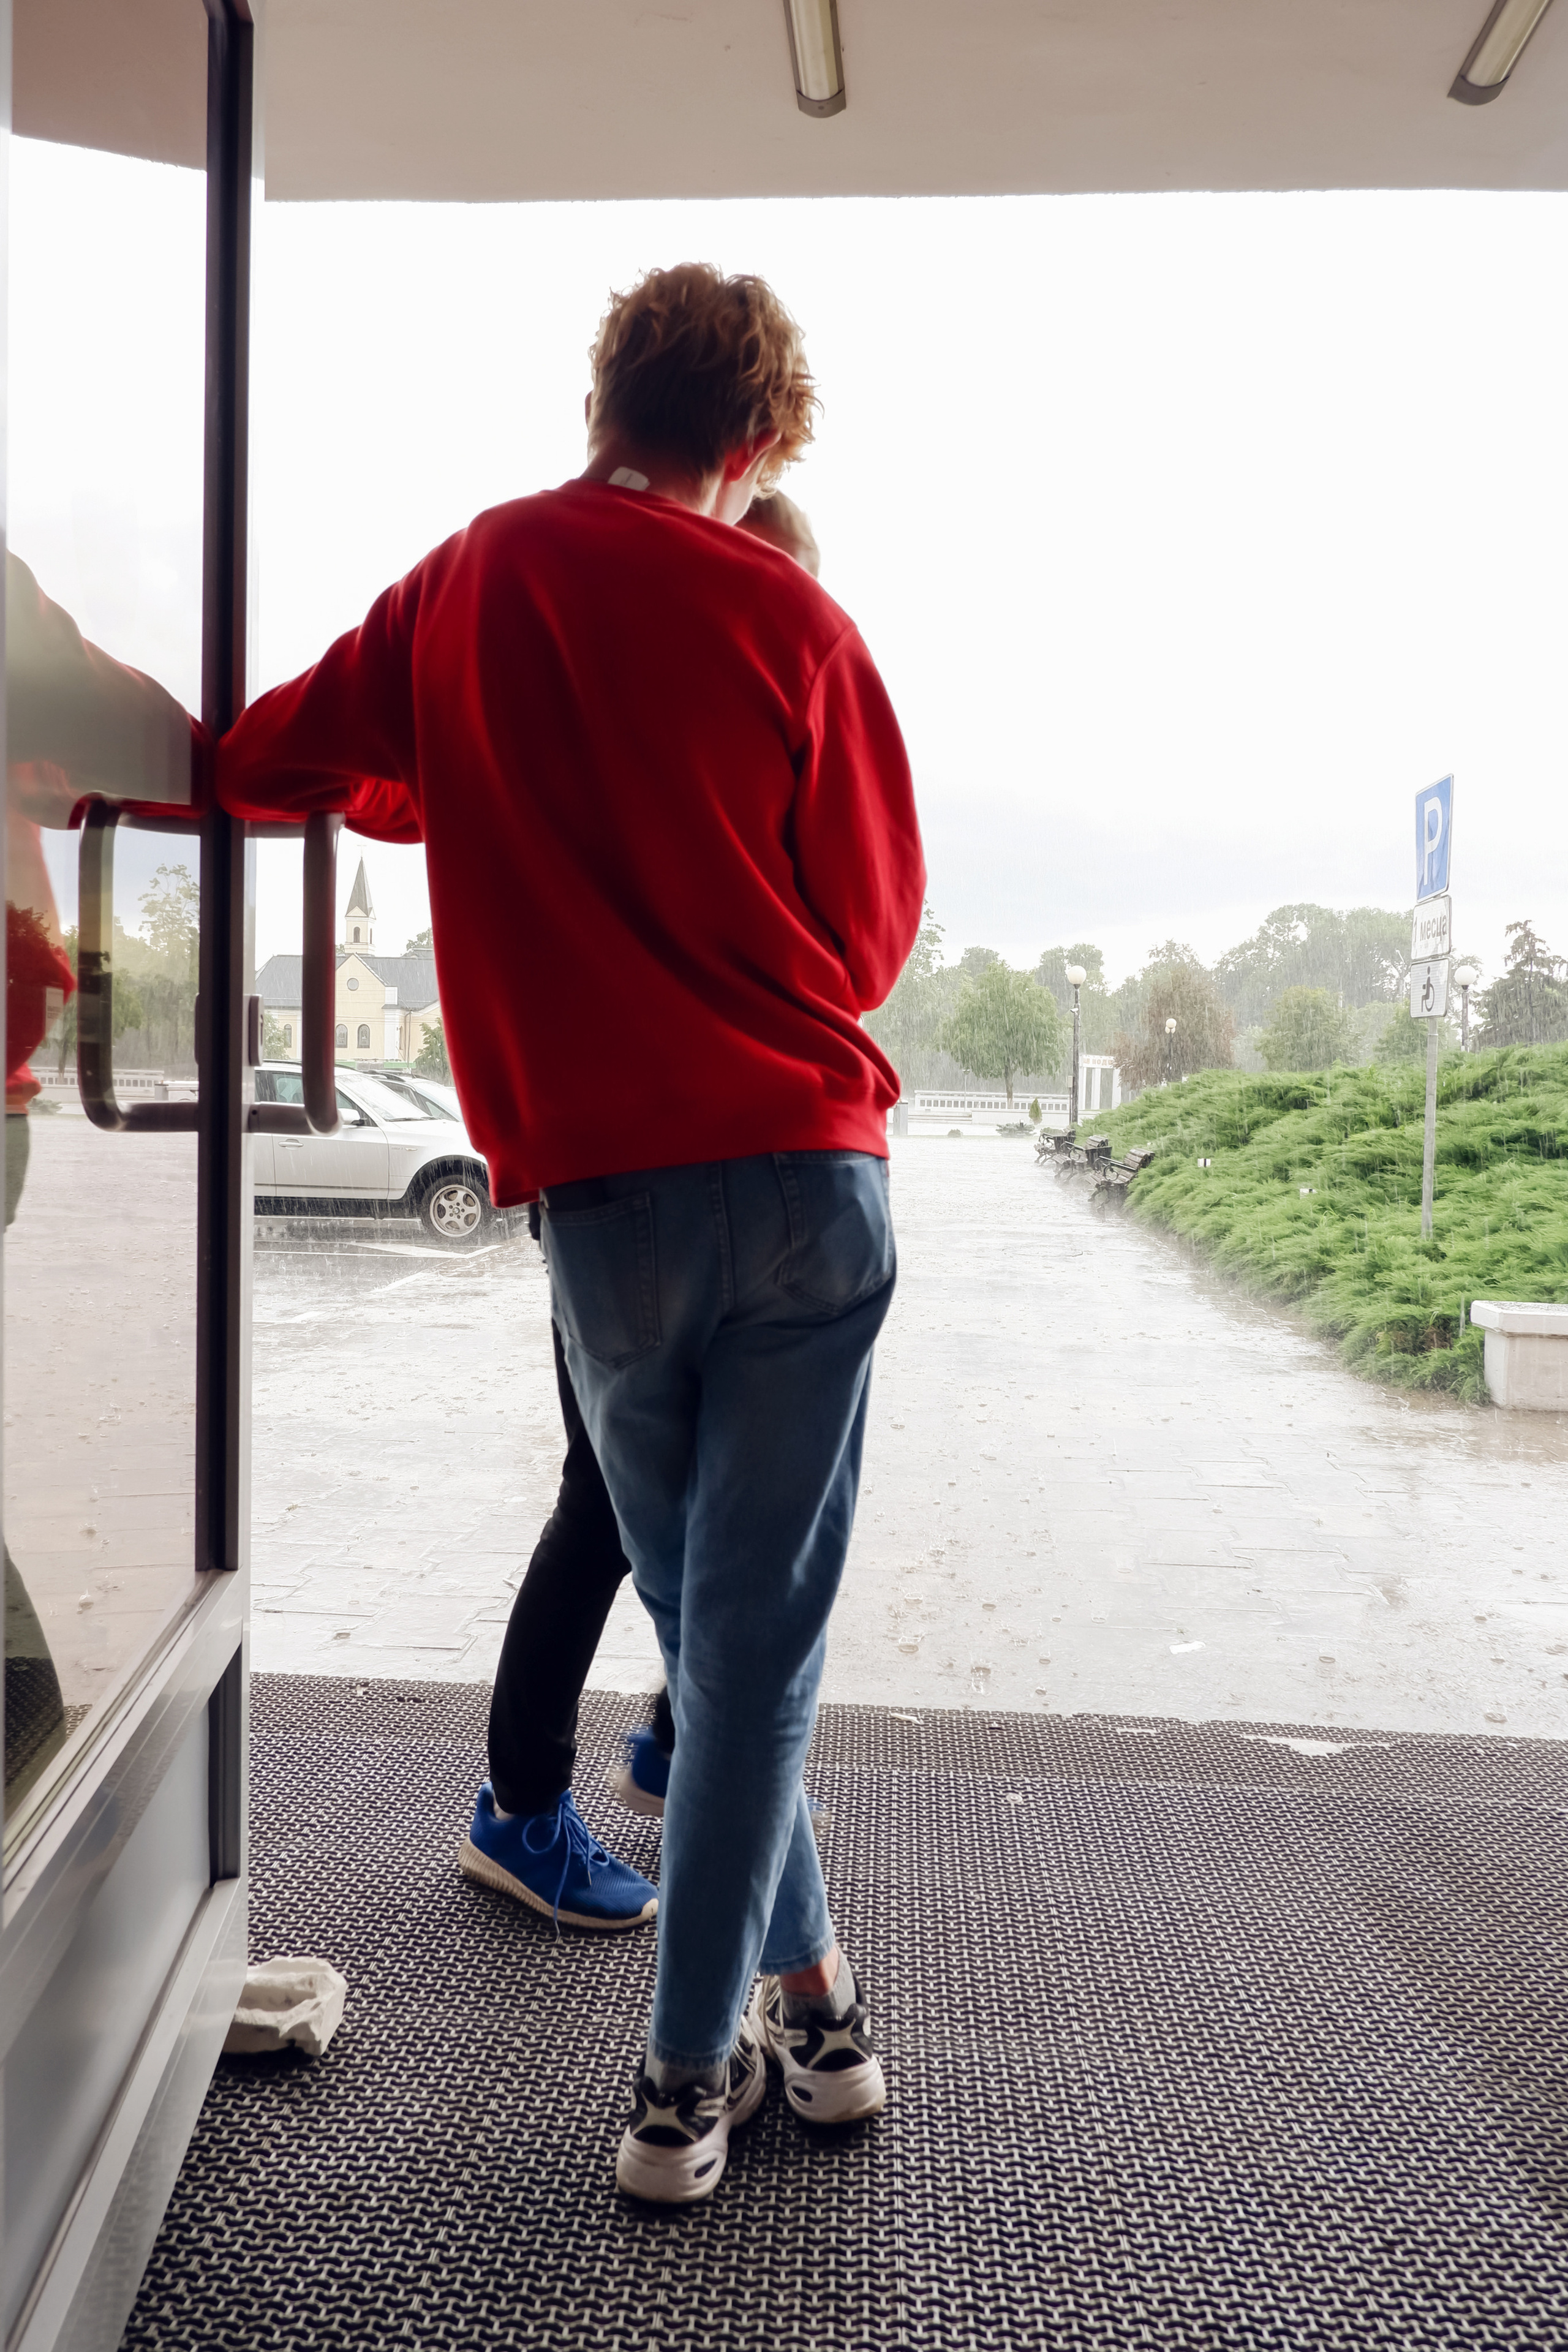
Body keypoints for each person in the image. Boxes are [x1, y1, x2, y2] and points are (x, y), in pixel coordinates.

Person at [217, 263, 924, 2204]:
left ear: (603, 392)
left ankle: (820, 2015)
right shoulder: (798, 617)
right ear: (760, 437)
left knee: (716, 1626)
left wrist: (470, 772)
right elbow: (864, 944)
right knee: (744, 1643)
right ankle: (692, 2077)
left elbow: (262, 762)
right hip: (803, 1172)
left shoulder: (473, 579)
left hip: (604, 1205)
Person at [476, 486, 826, 1914]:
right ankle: (520, 1807)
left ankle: (681, 1745)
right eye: (768, 581)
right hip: (632, 1176)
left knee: (691, 1510)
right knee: (610, 1511)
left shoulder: (667, 699)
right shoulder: (656, 702)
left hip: (639, 1172)